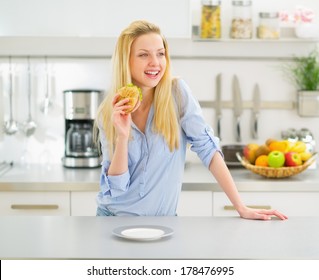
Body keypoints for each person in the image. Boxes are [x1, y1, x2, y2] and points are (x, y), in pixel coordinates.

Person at [94, 20, 287, 220]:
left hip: (162, 223)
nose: (155, 62)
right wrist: (123, 136)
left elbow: (208, 149)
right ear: (126, 60)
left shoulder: (177, 93)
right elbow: (116, 188)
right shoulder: (109, 111)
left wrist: (241, 207)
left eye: (160, 53)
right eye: (144, 55)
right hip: (113, 220)